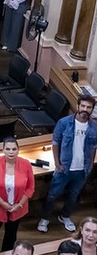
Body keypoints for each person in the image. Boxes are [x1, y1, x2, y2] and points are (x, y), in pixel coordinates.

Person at [38, 95, 97, 233]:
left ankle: (65, 216)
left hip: (82, 170)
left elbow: (94, 147)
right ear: (77, 106)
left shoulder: (94, 127)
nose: (85, 109)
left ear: (92, 110)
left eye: (88, 107)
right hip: (64, 168)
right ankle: (45, 218)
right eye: (83, 106)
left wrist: (89, 167)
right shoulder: (64, 123)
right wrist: (57, 164)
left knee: (73, 195)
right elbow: (55, 142)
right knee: (53, 194)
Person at [0, 137, 36, 255]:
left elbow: (30, 188)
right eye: (8, 149)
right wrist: (3, 203)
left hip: (18, 207)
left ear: (18, 150)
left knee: (11, 232)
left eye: (14, 149)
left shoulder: (26, 164)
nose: (11, 152)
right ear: (3, 150)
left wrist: (19, 204)